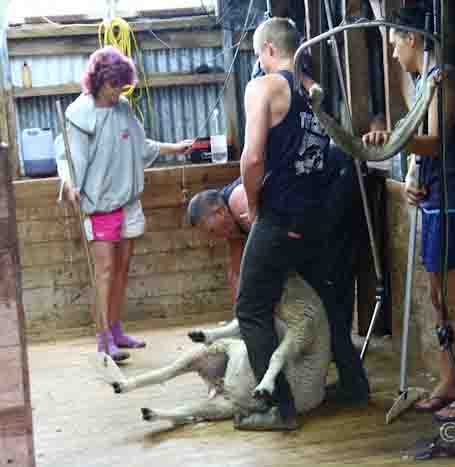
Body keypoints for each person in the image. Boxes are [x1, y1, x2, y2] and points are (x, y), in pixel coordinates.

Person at [219, 17, 367, 431]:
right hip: (315, 219)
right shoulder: (312, 97)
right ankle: (355, 385)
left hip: (279, 216)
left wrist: (252, 205)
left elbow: (251, 159)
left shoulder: (264, 87)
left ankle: (277, 407)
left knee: (251, 308)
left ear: (268, 50)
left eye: (256, 54)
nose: (257, 61)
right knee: (328, 300)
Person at [362, 4, 455, 422]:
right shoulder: (423, 82)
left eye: (394, 44)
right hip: (438, 197)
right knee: (438, 297)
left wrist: (394, 139)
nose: (392, 54)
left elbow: (436, 141)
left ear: (413, 40)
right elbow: (425, 151)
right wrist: (413, 181)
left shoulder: (445, 79)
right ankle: (448, 379)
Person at [186, 144, 369, 406]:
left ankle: (355, 388)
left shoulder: (241, 204)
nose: (213, 239)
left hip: (336, 177)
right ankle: (351, 382)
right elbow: (240, 274)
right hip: (306, 209)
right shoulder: (232, 219)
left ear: (219, 212)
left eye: (210, 230)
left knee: (327, 301)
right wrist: (241, 320)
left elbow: (275, 251)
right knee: (315, 300)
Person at [56, 46, 191, 362]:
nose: (118, 92)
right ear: (98, 82)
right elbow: (67, 159)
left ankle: (116, 329)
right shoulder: (79, 116)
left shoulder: (123, 108)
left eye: (121, 85)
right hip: (100, 204)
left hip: (128, 200)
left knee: (121, 269)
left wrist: (175, 148)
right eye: (113, 85)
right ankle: (102, 338)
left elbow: (141, 146)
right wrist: (70, 185)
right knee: (104, 270)